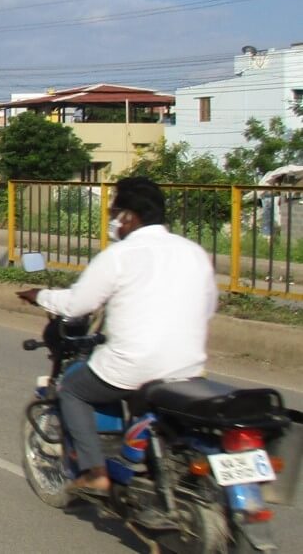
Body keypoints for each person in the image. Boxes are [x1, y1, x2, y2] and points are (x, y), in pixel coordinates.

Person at [16, 176, 218, 497]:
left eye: (115, 214)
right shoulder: (194, 252)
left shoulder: (120, 255)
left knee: (72, 390)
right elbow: (207, 308)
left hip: (133, 366)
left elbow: (77, 304)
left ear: (129, 216)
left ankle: (94, 472)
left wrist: (39, 294)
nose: (113, 222)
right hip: (186, 368)